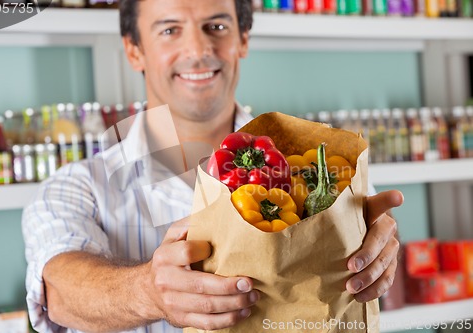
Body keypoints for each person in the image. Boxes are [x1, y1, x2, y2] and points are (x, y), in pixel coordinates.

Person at [22, 0, 403, 332]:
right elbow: (59, 291)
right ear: (134, 50)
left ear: (243, 40)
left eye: (216, 27)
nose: (198, 48)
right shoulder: (77, 187)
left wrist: (375, 259)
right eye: (170, 29)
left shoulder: (320, 171)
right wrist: (148, 293)